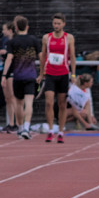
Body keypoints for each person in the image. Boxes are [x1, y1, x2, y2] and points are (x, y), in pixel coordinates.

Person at [1, 15, 42, 139]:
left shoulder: (12, 42)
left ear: (16, 28)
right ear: (27, 27)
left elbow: (9, 59)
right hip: (31, 76)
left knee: (19, 103)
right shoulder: (34, 40)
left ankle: (20, 128)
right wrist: (42, 73)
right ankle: (26, 128)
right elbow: (42, 57)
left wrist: (4, 75)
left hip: (17, 76)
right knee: (29, 103)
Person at [40, 13, 76, 143]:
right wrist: (40, 74)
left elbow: (72, 57)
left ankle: (60, 131)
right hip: (50, 73)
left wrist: (73, 74)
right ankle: (50, 131)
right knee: (49, 102)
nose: (56, 26)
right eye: (54, 23)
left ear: (63, 24)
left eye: (58, 23)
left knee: (62, 104)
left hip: (63, 73)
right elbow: (43, 55)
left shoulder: (69, 38)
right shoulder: (46, 38)